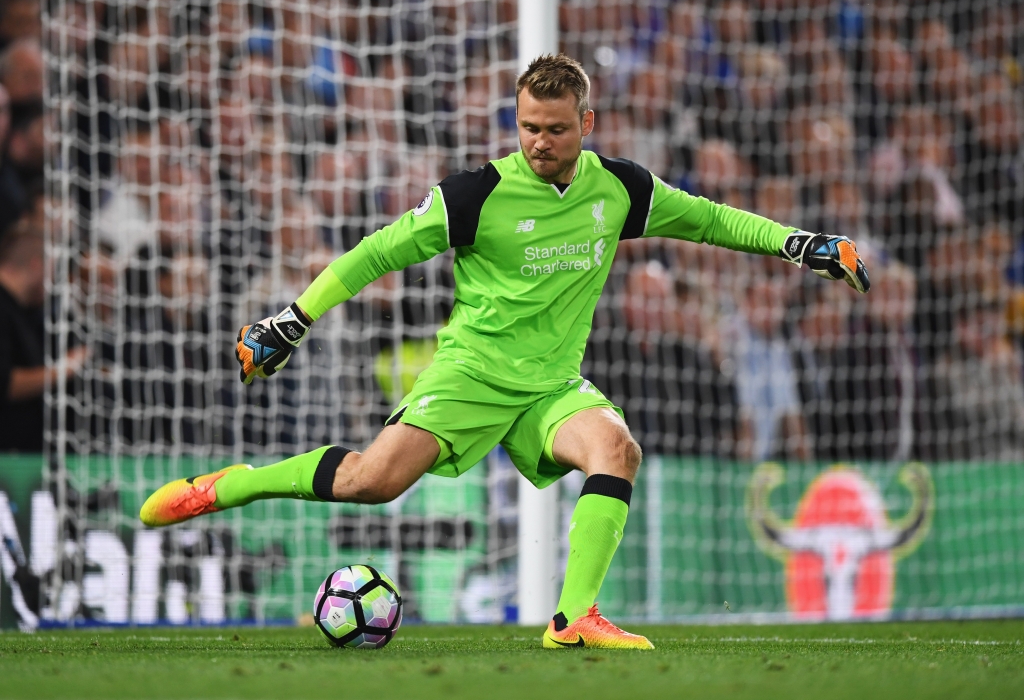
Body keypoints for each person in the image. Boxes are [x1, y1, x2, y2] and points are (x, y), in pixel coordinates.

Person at [139, 54, 870, 649]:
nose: (538, 142)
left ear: (586, 122)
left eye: (554, 128)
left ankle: (573, 617)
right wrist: (291, 320)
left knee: (617, 449)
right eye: (526, 127)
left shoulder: (619, 189)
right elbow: (376, 253)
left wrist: (800, 245)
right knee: (370, 481)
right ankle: (231, 484)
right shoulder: (477, 193)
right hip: (472, 373)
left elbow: (710, 220)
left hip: (551, 384)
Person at [0, 230, 87, 451]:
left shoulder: (21, 311)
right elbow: (5, 384)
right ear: (36, 265)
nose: (53, 280)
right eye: (52, 269)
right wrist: (63, 369)